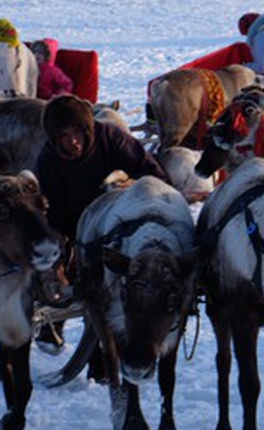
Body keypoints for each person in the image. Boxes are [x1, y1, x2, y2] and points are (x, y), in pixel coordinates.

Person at [35, 94, 168, 351]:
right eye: (64, 136)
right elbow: (52, 214)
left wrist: (129, 183)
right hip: (77, 229)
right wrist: (59, 254)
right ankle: (54, 322)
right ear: (54, 138)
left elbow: (155, 176)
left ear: (88, 129)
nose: (73, 142)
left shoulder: (111, 139)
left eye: (77, 133)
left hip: (124, 226)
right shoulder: (48, 161)